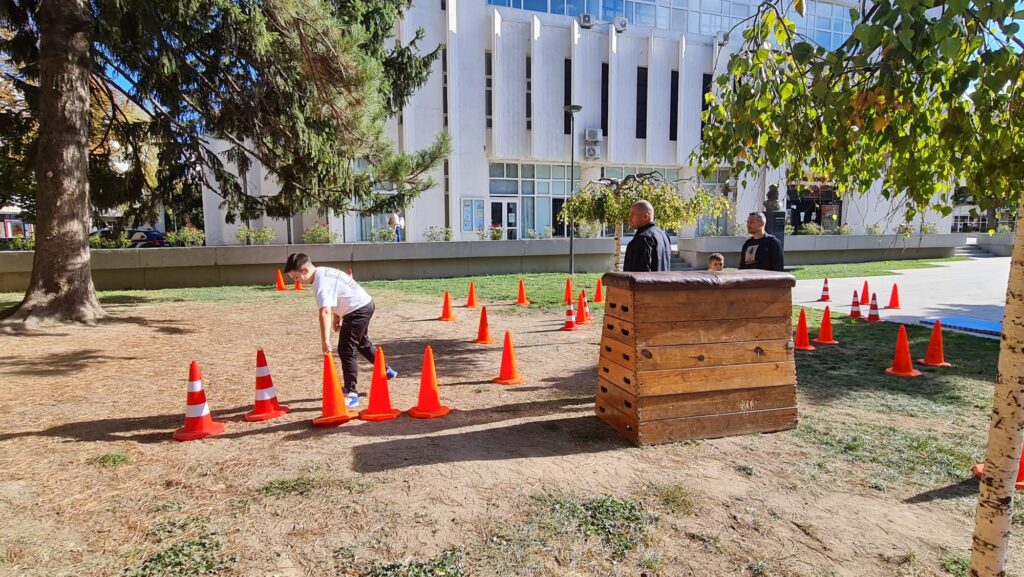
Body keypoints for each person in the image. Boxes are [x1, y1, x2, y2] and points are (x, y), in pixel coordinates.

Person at [284, 253, 397, 408]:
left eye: (296, 277)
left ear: (305, 270)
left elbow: (325, 311)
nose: (296, 281)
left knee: (346, 349)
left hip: (357, 310)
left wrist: (325, 340)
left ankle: (351, 393)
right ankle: (386, 370)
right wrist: (337, 317)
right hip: (364, 304)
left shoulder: (320, 283)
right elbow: (339, 294)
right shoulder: (323, 271)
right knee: (362, 343)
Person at [622, 200, 672, 272]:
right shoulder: (664, 235)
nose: (629, 218)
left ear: (646, 216)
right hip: (663, 279)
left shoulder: (643, 239)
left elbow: (637, 275)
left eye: (632, 215)